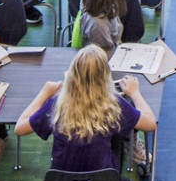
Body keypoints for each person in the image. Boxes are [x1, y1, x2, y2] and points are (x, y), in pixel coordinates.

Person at [15, 45, 156, 173]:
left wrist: (44, 93)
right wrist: (135, 93)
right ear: (105, 76)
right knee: (118, 133)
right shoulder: (114, 105)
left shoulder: (56, 104)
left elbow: (19, 128)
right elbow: (150, 123)